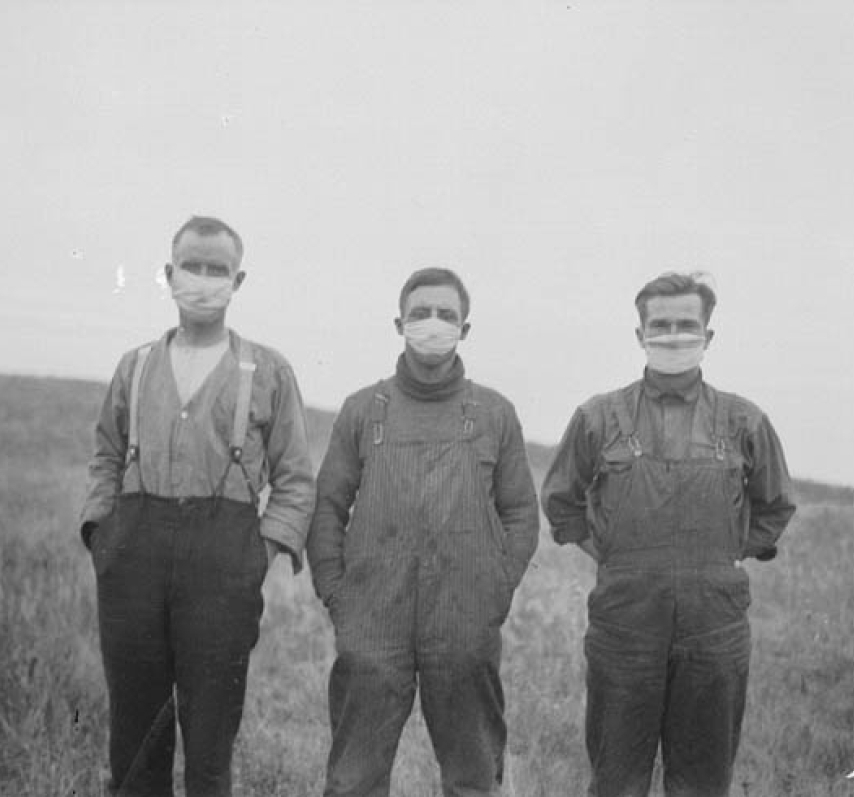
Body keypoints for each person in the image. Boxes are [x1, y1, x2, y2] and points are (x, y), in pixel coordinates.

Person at [79, 215, 316, 797]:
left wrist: (258, 553)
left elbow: (294, 478)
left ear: (238, 281)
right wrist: (100, 535)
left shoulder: (268, 370)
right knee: (134, 736)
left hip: (224, 559)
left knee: (210, 737)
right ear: (168, 274)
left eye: (218, 270)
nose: (204, 279)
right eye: (193, 266)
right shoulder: (135, 365)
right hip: (134, 552)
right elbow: (106, 453)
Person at [541, 272, 796, 797]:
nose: (674, 335)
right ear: (639, 335)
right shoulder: (597, 417)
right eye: (661, 325)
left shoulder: (745, 420)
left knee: (703, 783)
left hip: (715, 628)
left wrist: (725, 554)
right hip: (624, 627)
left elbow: (775, 506)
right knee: (616, 780)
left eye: (687, 324)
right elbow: (562, 503)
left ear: (708, 335)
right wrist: (611, 554)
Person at [306, 267, 539, 797]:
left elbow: (522, 513)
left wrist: (494, 592)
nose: (432, 324)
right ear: (399, 322)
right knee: (353, 782)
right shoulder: (363, 410)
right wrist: (338, 597)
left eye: (446, 315)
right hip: (372, 624)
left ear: (465, 327)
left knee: (473, 780)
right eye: (420, 313)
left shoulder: (495, 414)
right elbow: (327, 509)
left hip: (463, 623)